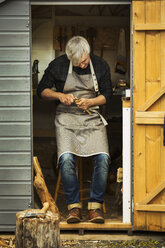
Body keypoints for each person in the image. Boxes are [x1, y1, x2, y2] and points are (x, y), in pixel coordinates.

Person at [37, 36, 112, 224]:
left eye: (85, 60)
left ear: (88, 52)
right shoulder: (58, 65)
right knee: (66, 158)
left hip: (92, 117)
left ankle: (95, 207)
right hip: (66, 119)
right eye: (77, 63)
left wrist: (92, 101)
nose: (82, 65)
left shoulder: (100, 65)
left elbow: (107, 95)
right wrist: (60, 95)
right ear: (69, 58)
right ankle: (74, 208)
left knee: (103, 158)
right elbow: (42, 90)